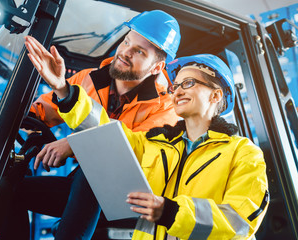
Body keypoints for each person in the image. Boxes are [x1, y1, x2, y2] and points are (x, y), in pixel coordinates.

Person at [0, 10, 181, 240]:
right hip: (86, 188)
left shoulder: (167, 110)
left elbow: (133, 151)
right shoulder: (87, 79)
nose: (125, 52)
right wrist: (11, 120)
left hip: (132, 203)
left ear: (156, 68)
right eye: (126, 42)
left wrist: (76, 143)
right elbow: (44, 109)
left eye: (139, 52)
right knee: (5, 191)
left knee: (96, 166)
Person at [44, 53, 269, 240]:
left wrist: (171, 212)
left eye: (188, 83)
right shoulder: (154, 144)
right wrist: (64, 91)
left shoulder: (243, 153)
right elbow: (105, 130)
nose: (178, 91)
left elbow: (240, 220)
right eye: (176, 86)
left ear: (216, 95)